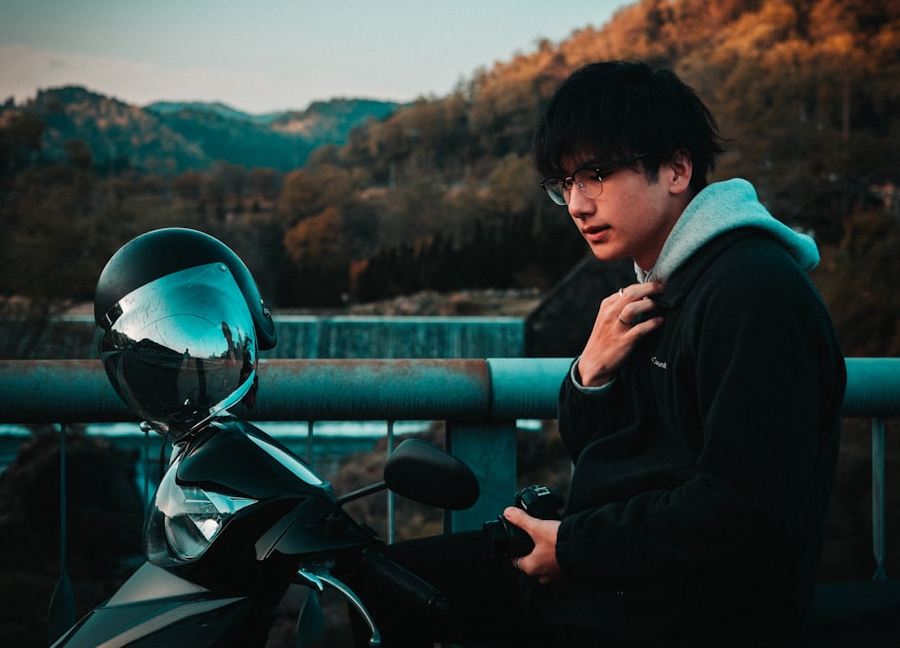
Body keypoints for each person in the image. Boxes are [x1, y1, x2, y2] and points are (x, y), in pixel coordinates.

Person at [357, 60, 845, 647]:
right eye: (564, 185)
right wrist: (590, 374)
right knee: (368, 587)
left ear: (676, 168)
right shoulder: (658, 286)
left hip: (685, 611)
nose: (578, 205)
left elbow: (748, 507)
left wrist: (575, 548)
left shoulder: (750, 292)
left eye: (595, 175)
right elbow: (602, 452)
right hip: (614, 575)